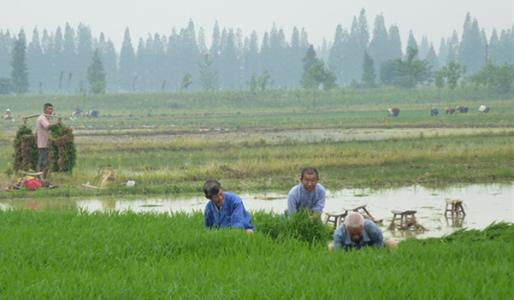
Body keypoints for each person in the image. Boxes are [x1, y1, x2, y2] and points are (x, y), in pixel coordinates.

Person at [35, 103, 61, 179]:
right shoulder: (42, 118)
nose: (51, 111)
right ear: (44, 109)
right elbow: (48, 126)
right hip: (42, 143)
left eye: (52, 109)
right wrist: (57, 124)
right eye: (49, 109)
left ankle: (42, 177)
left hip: (45, 143)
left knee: (45, 161)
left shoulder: (46, 118)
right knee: (42, 161)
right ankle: (40, 178)